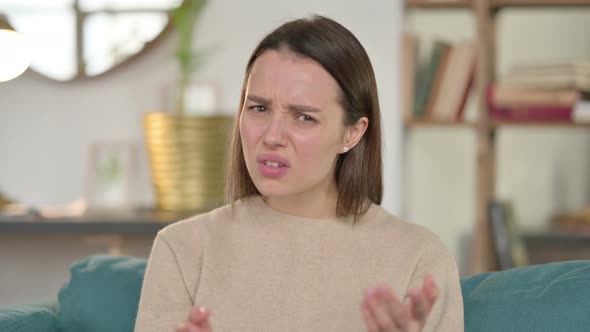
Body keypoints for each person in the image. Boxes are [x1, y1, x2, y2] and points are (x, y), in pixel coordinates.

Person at [134, 15, 464, 332]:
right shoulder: (182, 249)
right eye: (259, 108)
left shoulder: (419, 258)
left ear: (352, 133)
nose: (272, 136)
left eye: (303, 117)